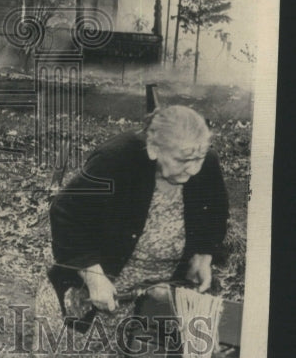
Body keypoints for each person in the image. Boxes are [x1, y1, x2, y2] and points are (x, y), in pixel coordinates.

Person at [44, 104, 229, 319]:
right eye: (182, 160)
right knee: (78, 346)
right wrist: (93, 276)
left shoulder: (206, 164)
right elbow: (66, 212)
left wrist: (203, 254)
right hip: (97, 293)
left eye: (199, 158)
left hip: (161, 296)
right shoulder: (115, 160)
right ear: (153, 148)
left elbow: (216, 211)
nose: (193, 168)